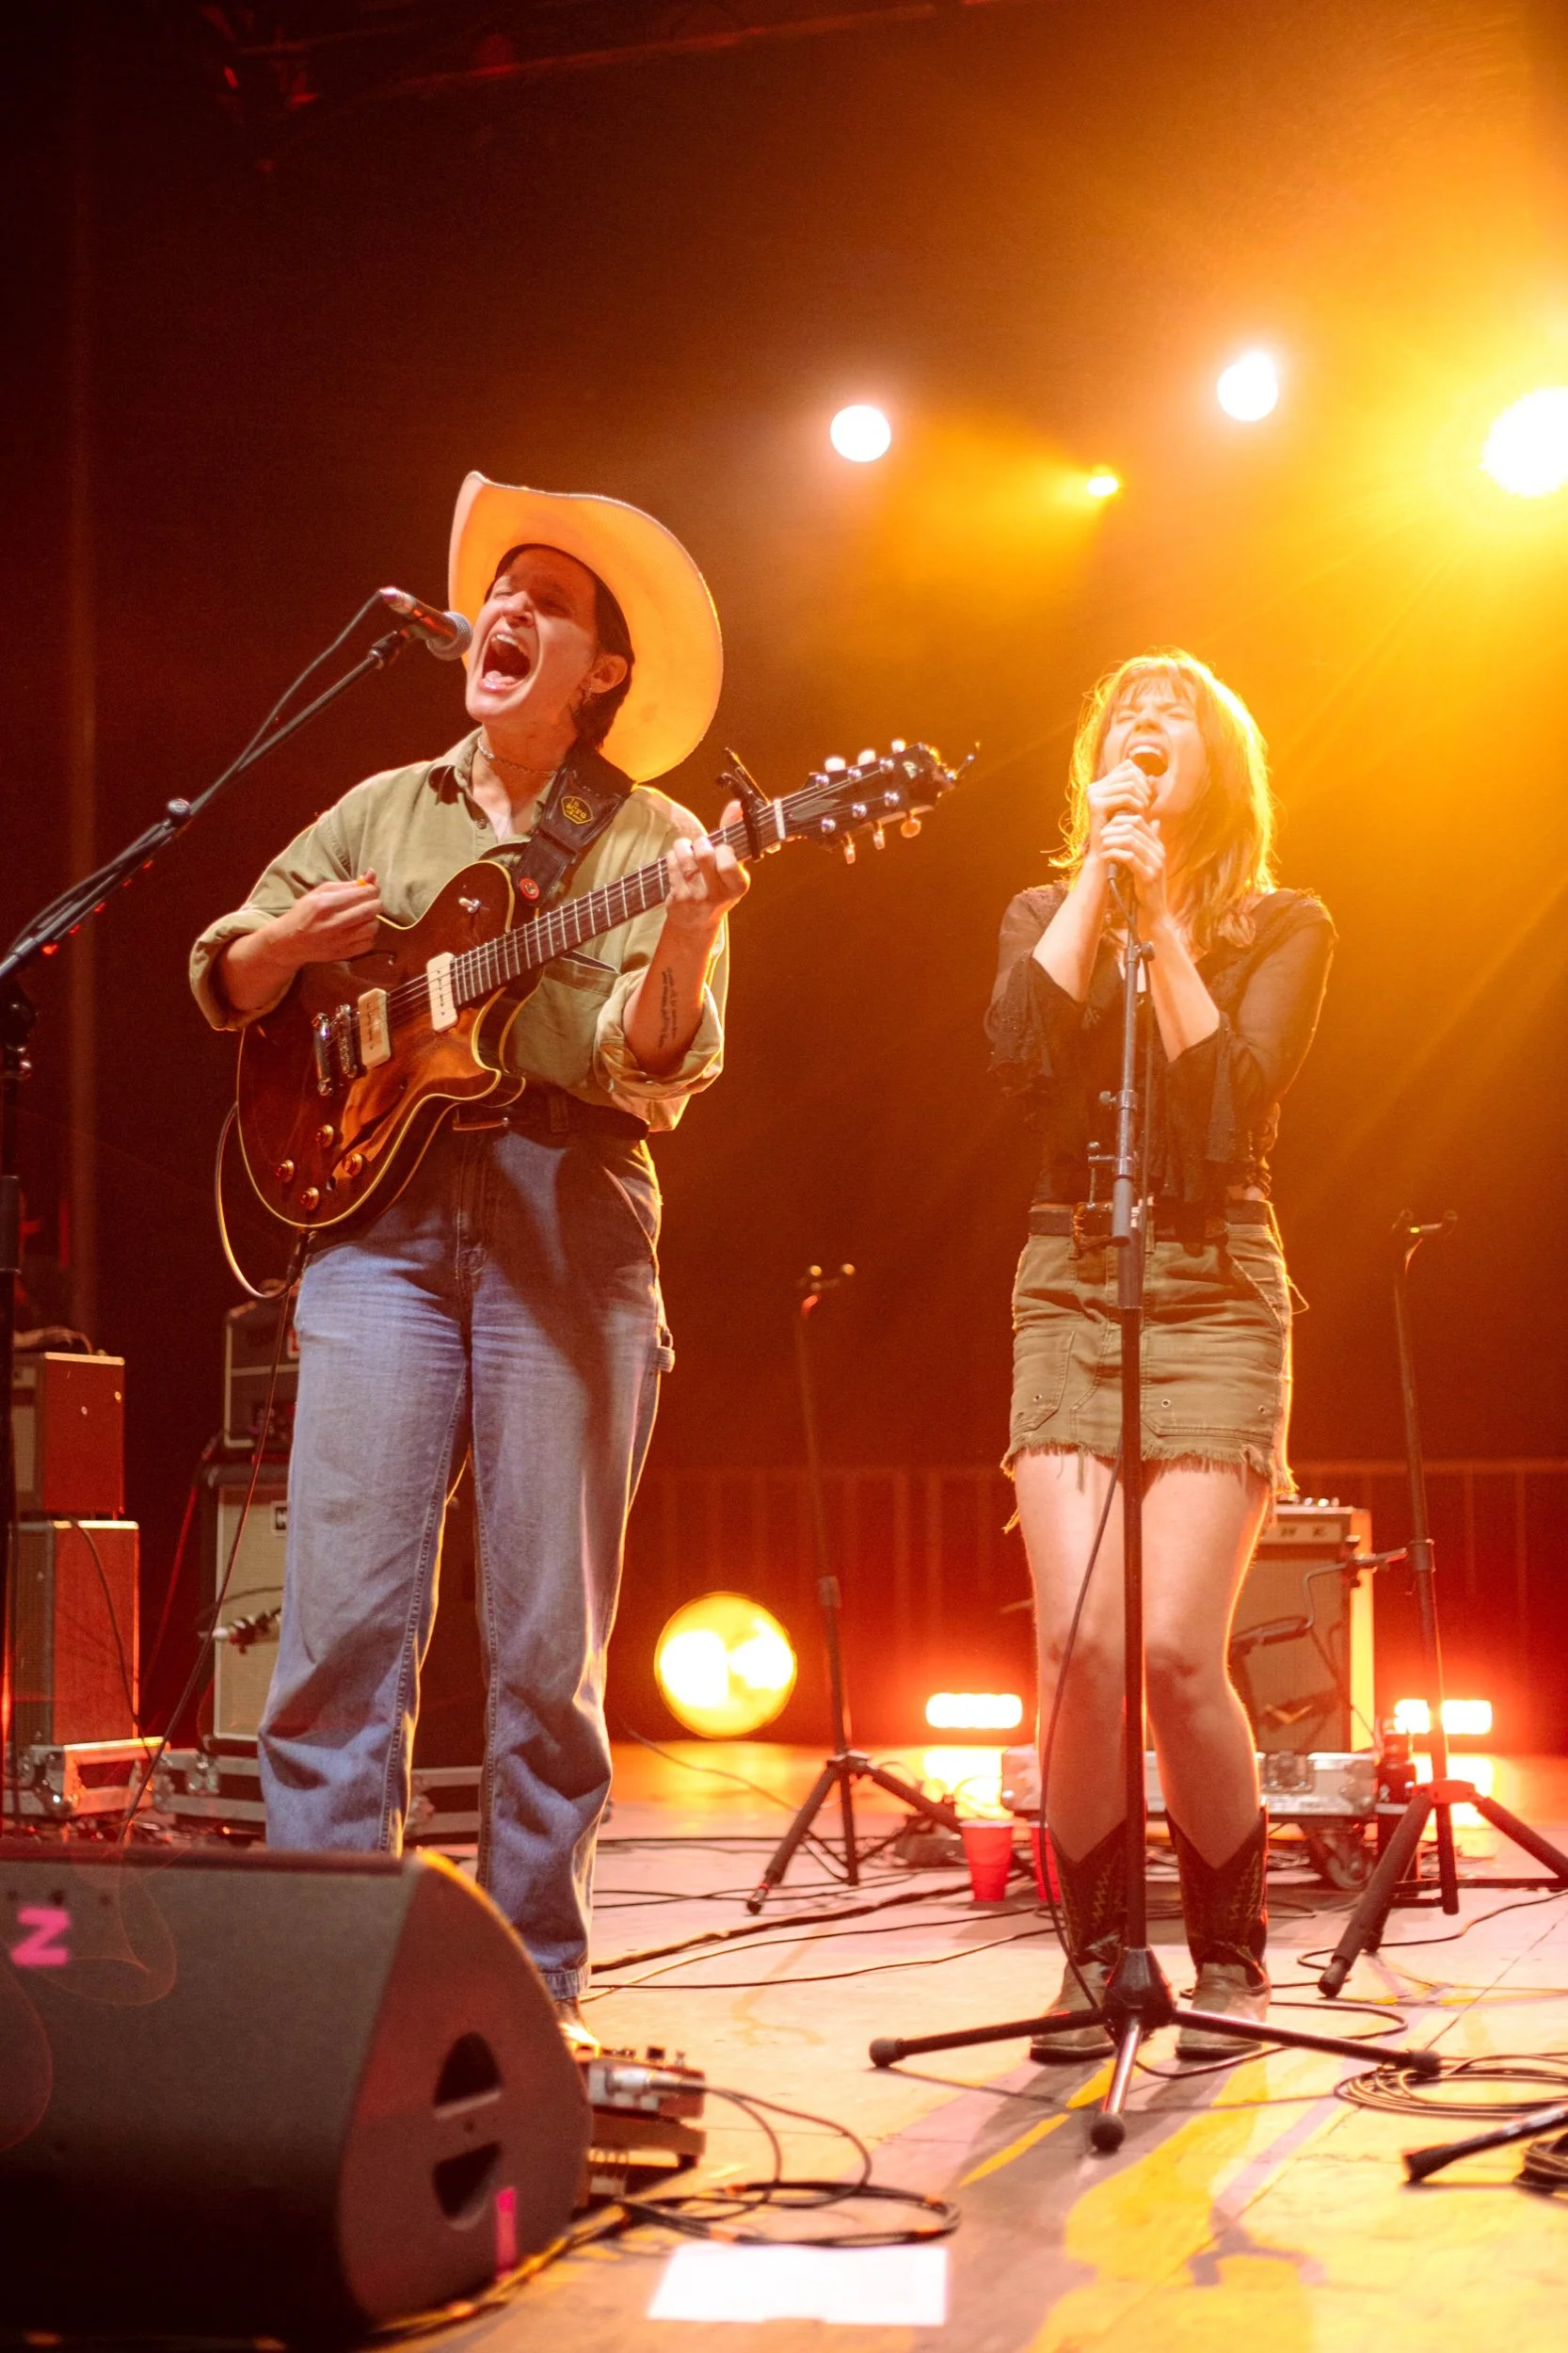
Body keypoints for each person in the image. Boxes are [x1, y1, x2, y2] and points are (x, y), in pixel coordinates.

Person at [191, 475, 747, 2050]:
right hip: (377, 1230)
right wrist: (291, 950)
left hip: (568, 1213)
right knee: (338, 1630)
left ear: (601, 670)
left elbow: (657, 1062)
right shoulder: (383, 806)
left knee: (544, 1649)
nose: (503, 612)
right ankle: (328, 1990)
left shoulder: (654, 837)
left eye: (545, 605)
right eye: (498, 593)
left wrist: (690, 930)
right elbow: (230, 971)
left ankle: (533, 2000)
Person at [986, 649, 1334, 2060]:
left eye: (1170, 713)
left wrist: (1168, 932)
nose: (1142, 725)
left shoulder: (1285, 923)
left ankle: (1231, 1959)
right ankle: (1091, 1959)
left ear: (1219, 764)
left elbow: (1229, 1103)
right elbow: (1017, 1052)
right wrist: (1098, 884)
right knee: (1077, 1648)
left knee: (1179, 1654)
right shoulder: (1043, 911)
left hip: (1215, 1282)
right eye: (1122, 715)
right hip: (1070, 1277)